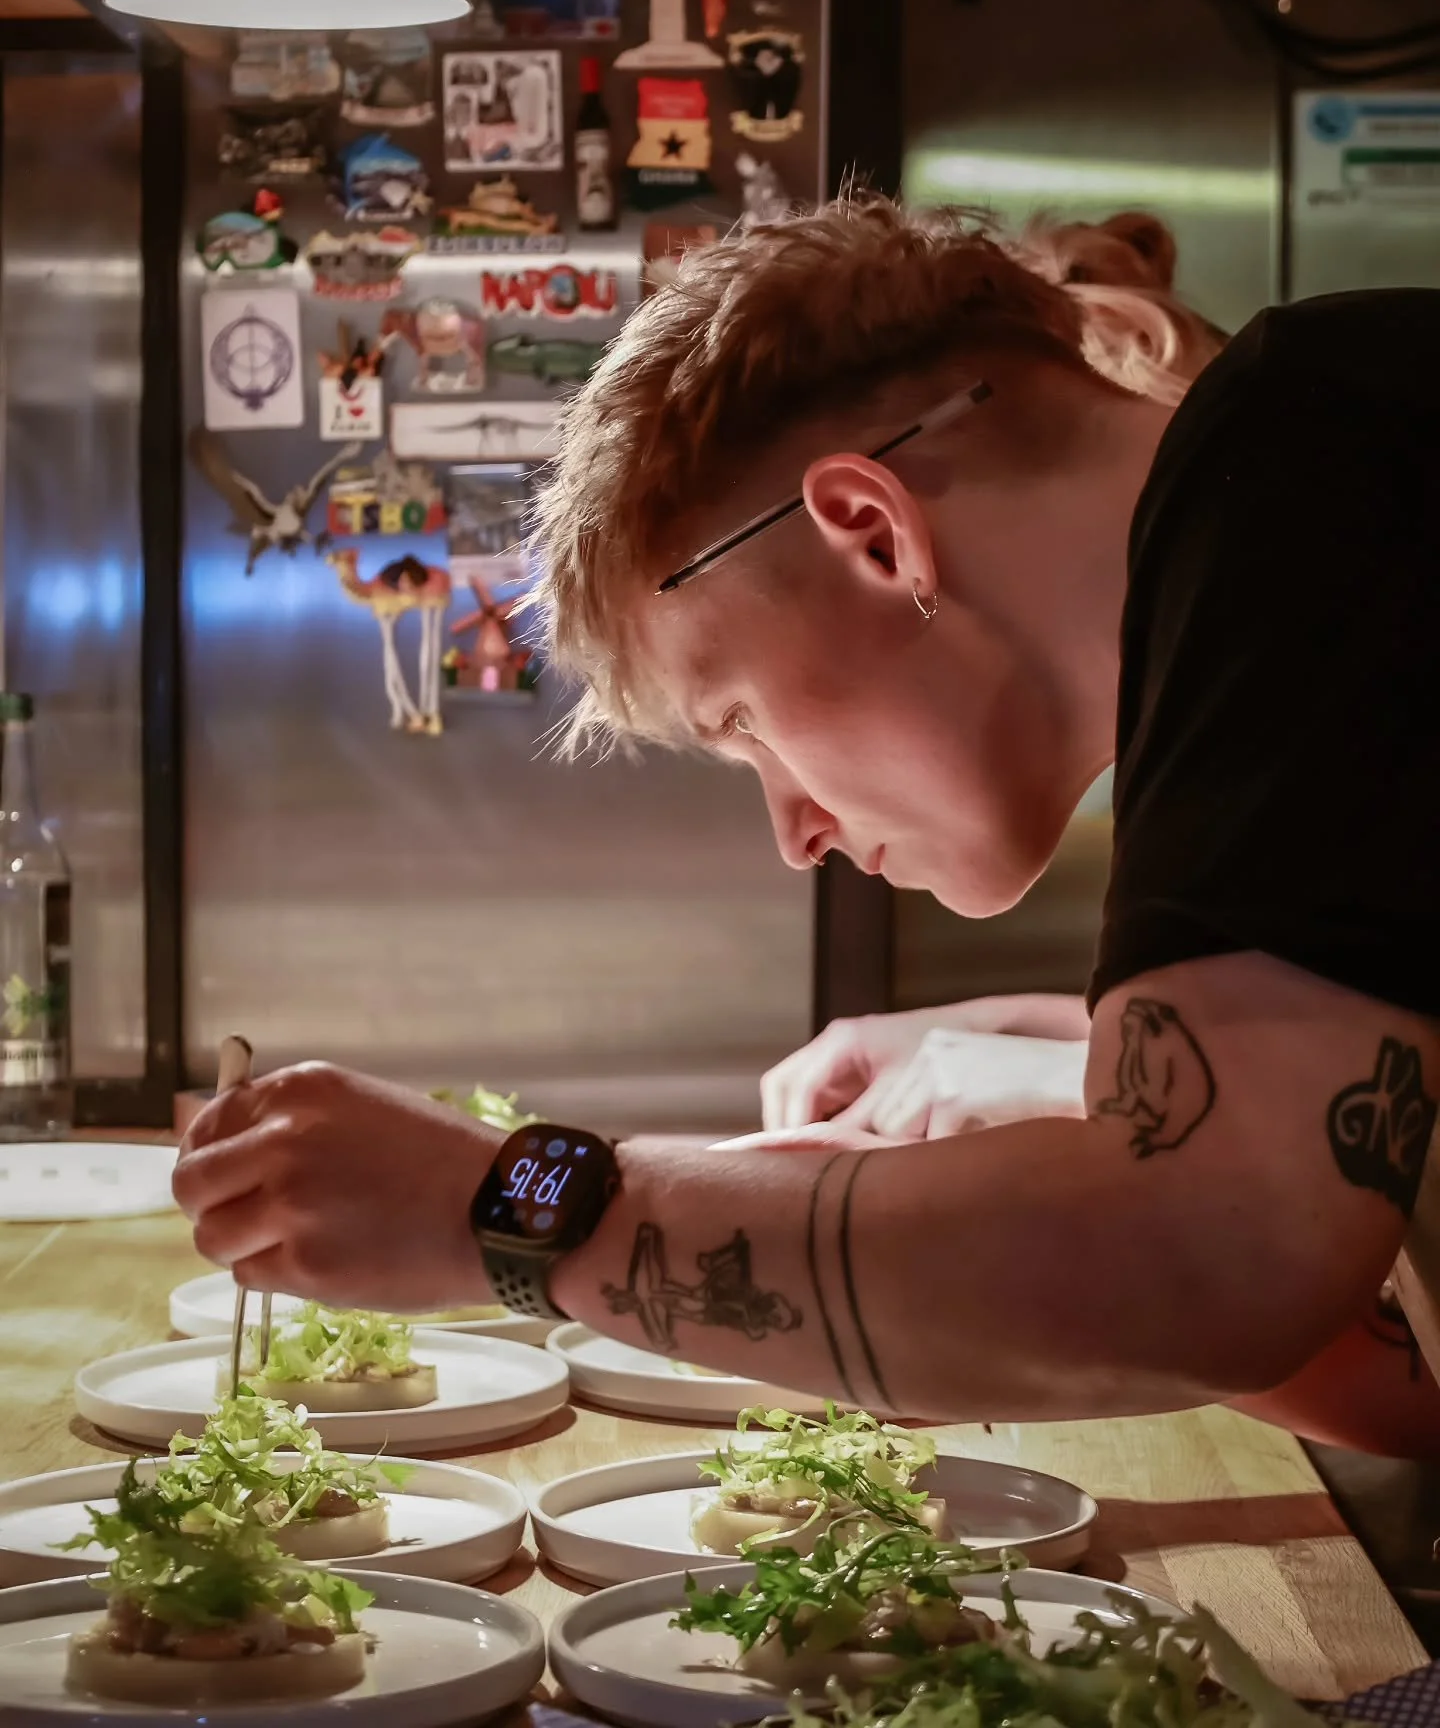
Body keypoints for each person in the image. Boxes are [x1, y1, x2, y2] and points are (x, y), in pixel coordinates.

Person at [174, 192, 1440, 1444]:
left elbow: (1212, 1261)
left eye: (743, 723)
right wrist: (912, 1231)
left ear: (873, 535)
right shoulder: (1287, 544)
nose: (797, 835)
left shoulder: (1309, 456)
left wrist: (513, 1206)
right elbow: (1382, 1362)